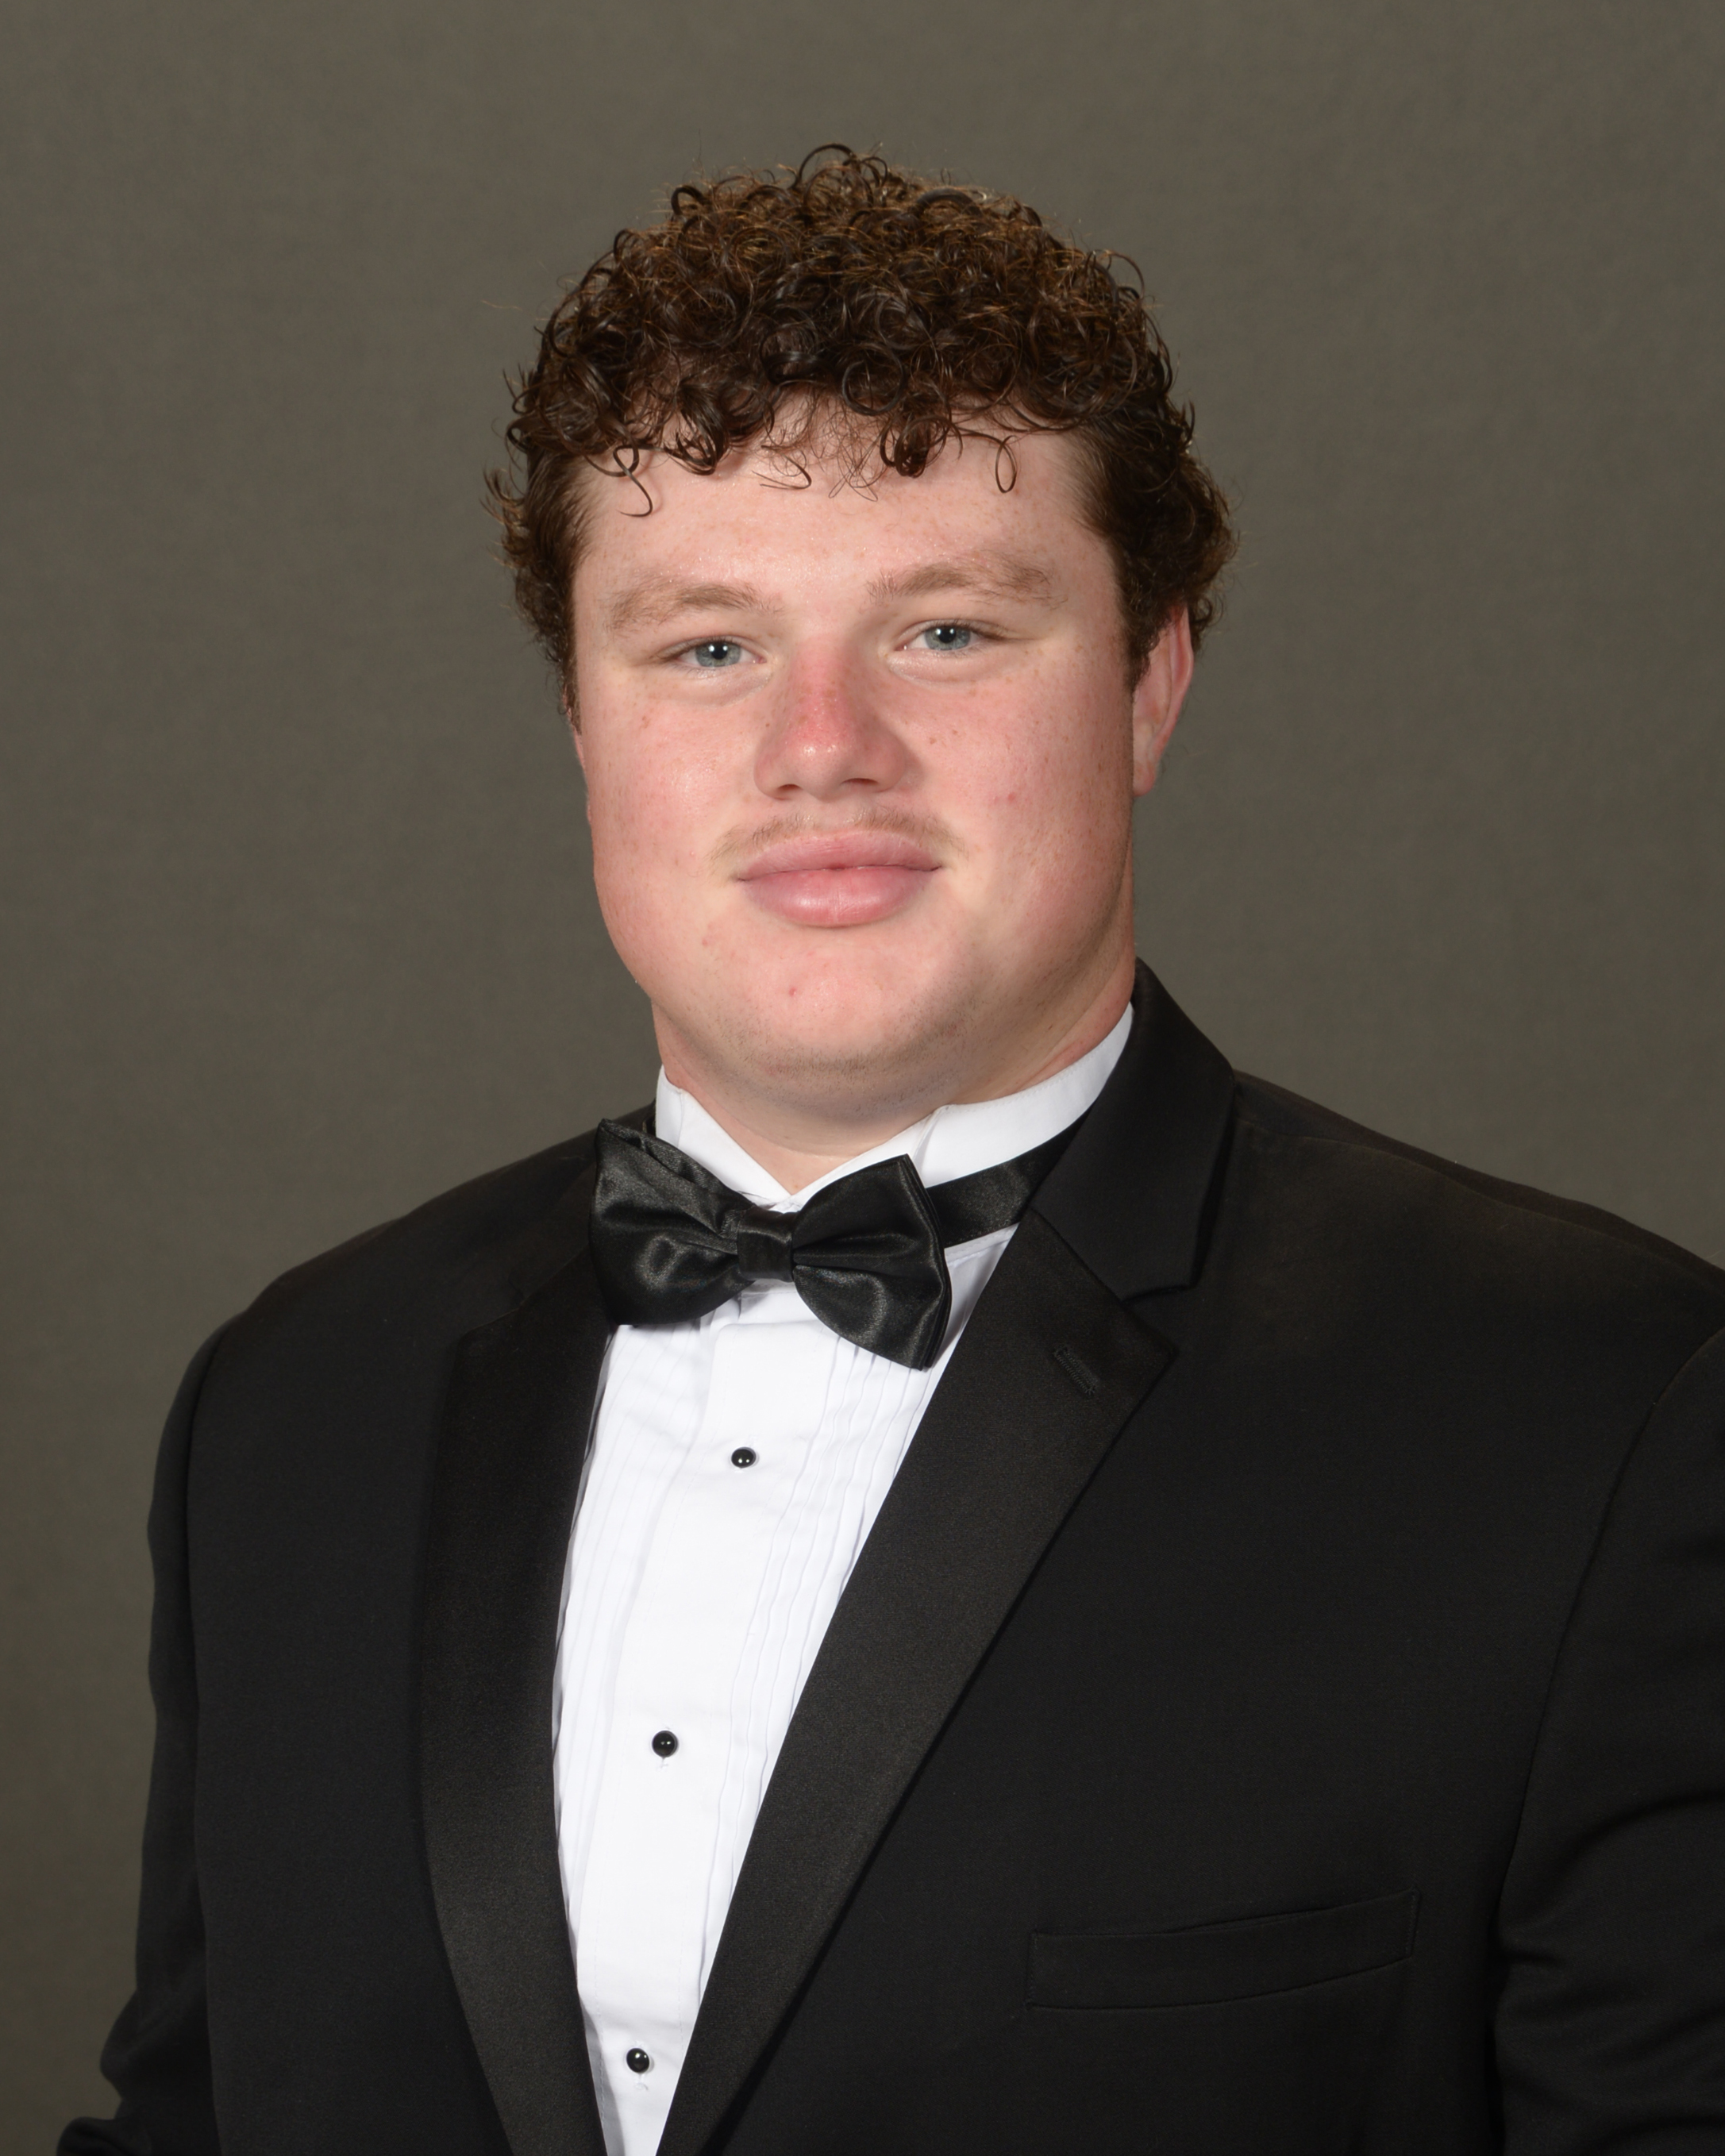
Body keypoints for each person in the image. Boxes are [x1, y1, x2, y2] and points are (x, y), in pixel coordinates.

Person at [64, 148, 1725, 2156]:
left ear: (1149, 682)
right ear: (583, 722)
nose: (820, 746)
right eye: (707, 647)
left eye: (944, 630)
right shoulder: (290, 1406)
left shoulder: (1602, 1414)